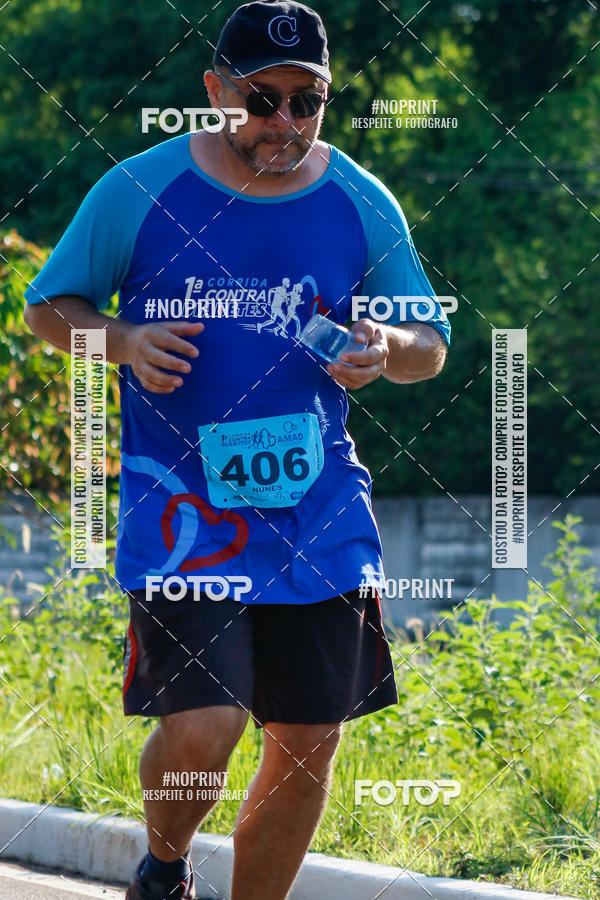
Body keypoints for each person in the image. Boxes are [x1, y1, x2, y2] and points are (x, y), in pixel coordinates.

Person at [23, 2, 451, 898]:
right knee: (204, 730)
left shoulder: (361, 200)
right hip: (184, 518)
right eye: (262, 99)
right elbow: (47, 312)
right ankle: (165, 865)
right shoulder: (137, 192)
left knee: (306, 745)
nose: (285, 123)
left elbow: (430, 347)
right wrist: (123, 342)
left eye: (308, 101)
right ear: (215, 91)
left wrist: (384, 347)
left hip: (319, 518)